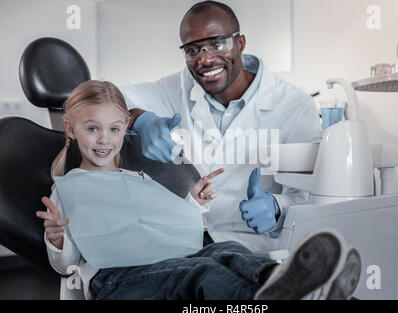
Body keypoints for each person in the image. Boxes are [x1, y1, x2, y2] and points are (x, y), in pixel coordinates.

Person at [36, 80, 361, 300]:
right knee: (201, 271)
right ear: (71, 128)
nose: (104, 139)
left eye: (114, 129)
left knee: (224, 251)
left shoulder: (137, 179)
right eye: (92, 129)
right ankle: (260, 300)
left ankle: (284, 281)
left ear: (124, 129)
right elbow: (66, 266)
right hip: (114, 279)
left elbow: (171, 227)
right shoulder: (69, 188)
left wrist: (196, 202)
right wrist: (57, 240)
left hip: (161, 258)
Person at [121, 1, 322, 253]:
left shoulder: (294, 105)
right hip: (185, 238)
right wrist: (139, 118)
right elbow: (108, 95)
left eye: (218, 44)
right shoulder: (177, 87)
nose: (205, 59)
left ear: (240, 43)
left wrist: (277, 205)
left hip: (250, 245)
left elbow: (311, 197)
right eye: (193, 50)